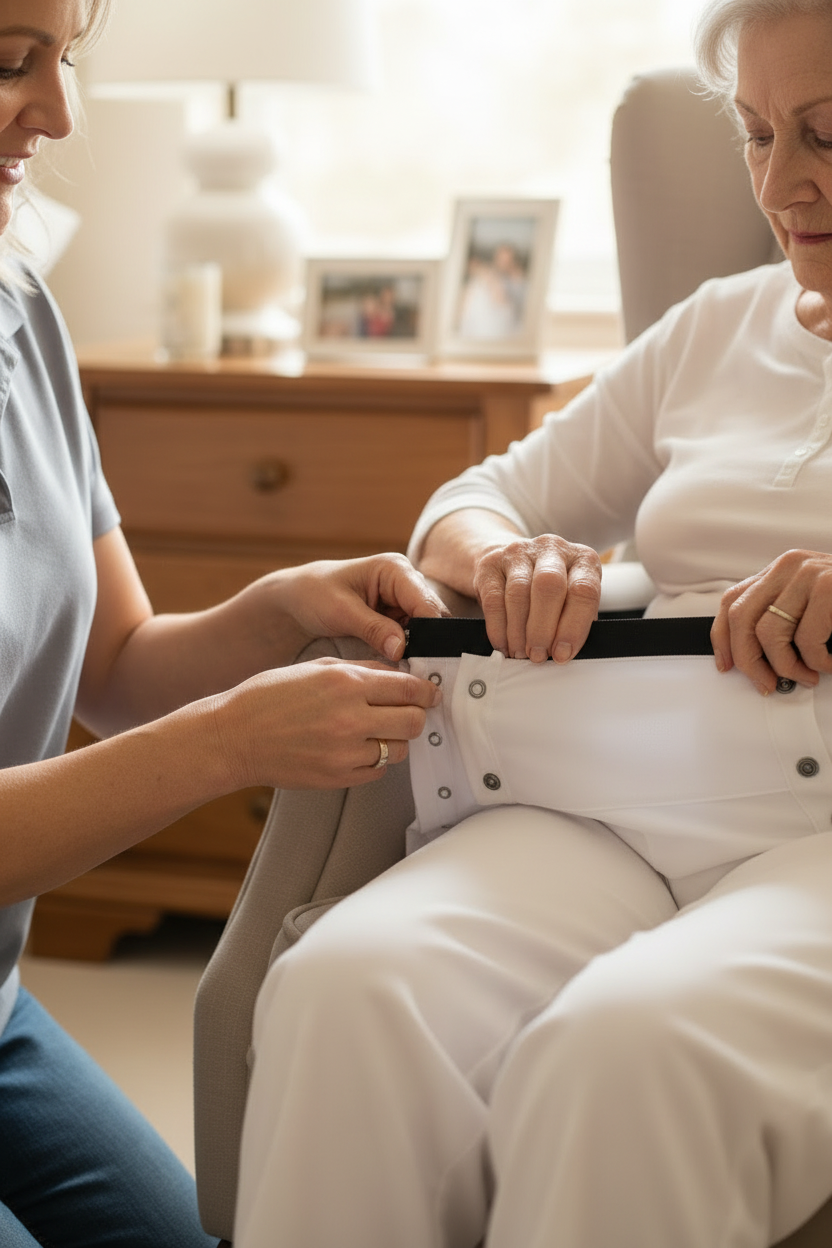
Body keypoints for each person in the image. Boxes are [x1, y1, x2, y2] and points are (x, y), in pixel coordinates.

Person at [231, 1, 832, 1246]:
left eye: (828, 135)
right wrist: (509, 559)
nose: (782, 185)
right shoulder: (721, 324)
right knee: (351, 986)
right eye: (758, 134)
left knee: (629, 1052)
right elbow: (474, 496)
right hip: (614, 799)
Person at [0, 2, 445, 1246]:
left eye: (63, 61)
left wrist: (270, 613)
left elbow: (118, 667)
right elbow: (174, 735)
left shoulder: (20, 312)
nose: (60, 113)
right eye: (6, 64)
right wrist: (231, 745)